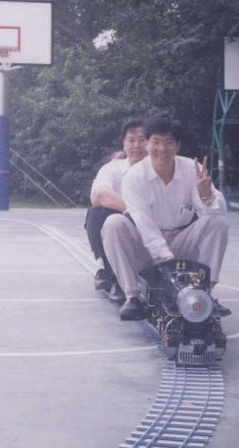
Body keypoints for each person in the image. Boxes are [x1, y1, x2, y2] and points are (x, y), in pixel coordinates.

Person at [101, 112, 230, 320]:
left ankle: (204, 291)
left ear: (177, 146)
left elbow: (215, 212)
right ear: (147, 144)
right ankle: (132, 296)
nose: (162, 149)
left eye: (169, 142)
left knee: (218, 223)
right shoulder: (134, 177)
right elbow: (144, 225)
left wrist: (206, 195)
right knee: (113, 223)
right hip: (145, 246)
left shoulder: (193, 170)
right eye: (156, 142)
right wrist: (167, 264)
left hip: (181, 240)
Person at [85, 118, 147, 303]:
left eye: (142, 139)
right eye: (131, 140)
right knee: (97, 212)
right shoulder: (112, 168)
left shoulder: (160, 168)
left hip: (156, 230)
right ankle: (114, 278)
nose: (136, 145)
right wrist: (135, 212)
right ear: (124, 143)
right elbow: (98, 194)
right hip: (123, 226)